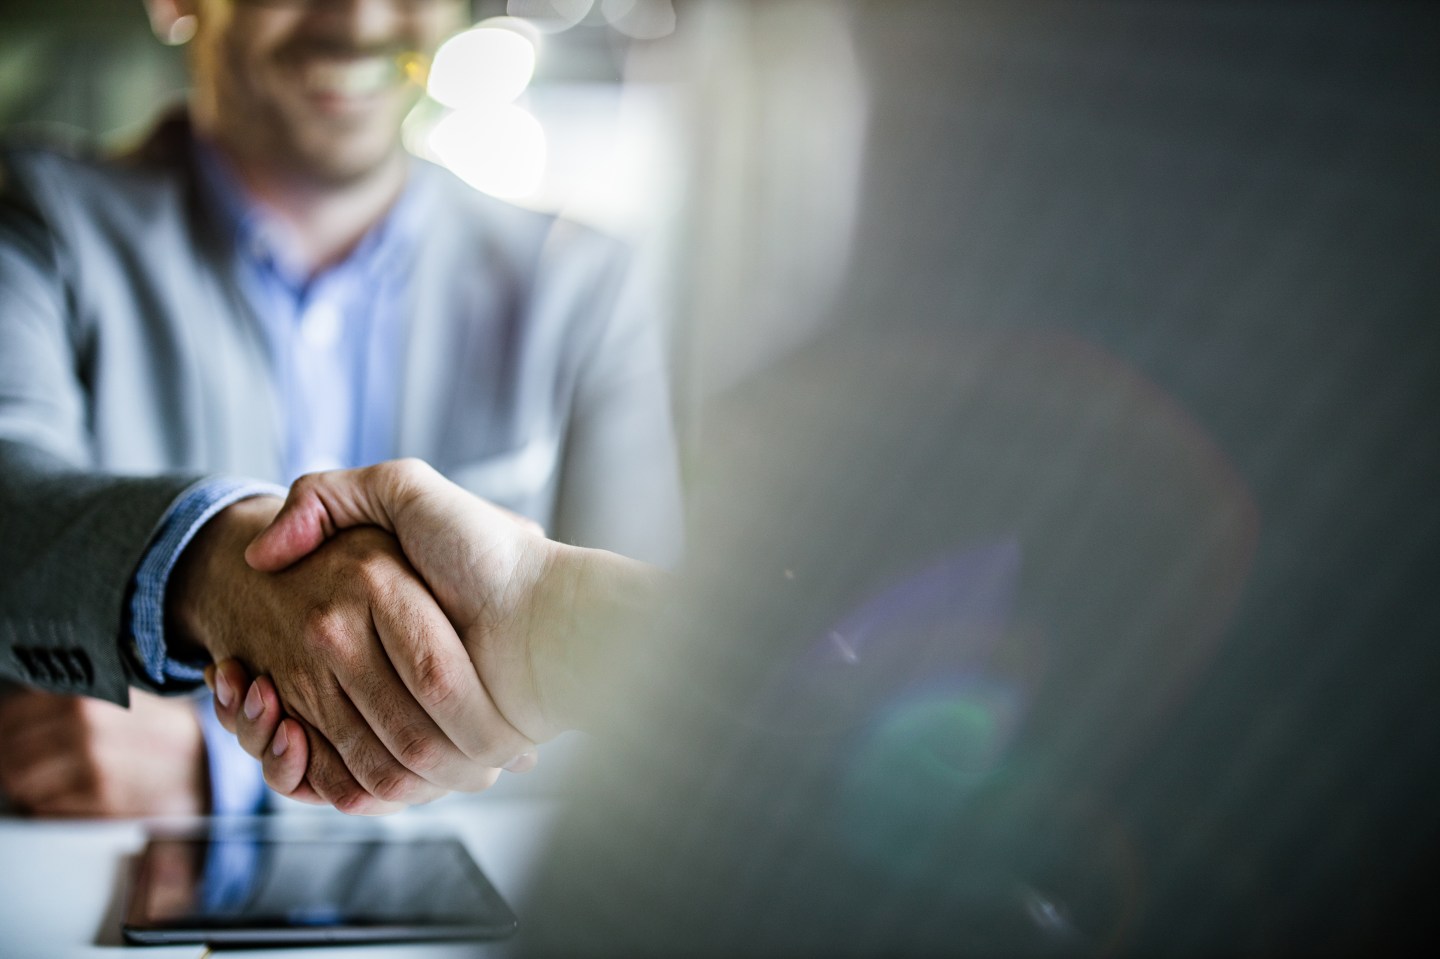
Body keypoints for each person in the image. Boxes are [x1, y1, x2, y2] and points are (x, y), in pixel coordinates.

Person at [0, 0, 680, 817]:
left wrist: (224, 774)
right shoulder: (34, 223)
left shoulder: (583, 288)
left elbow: (655, 716)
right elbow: (13, 498)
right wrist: (209, 565)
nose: (360, 19)